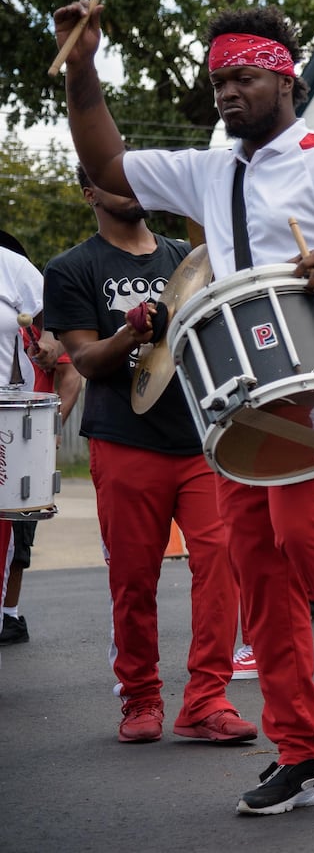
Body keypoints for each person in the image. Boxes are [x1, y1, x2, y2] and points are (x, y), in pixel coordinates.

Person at [55, 0, 314, 814]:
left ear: (284, 78)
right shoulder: (206, 168)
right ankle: (302, 754)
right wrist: (81, 66)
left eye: (244, 77)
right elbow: (109, 166)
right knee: (258, 568)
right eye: (219, 79)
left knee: (305, 529)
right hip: (237, 403)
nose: (227, 93)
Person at [43, 163, 256, 745]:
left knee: (222, 566)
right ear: (90, 192)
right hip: (124, 441)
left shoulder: (186, 257)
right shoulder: (71, 269)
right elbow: (84, 362)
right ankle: (140, 698)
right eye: (115, 181)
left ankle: (206, 699)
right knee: (133, 580)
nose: (132, 190)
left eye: (136, 179)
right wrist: (129, 335)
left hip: (200, 440)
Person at [0, 237, 81, 646]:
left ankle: (8, 613)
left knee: (11, 540)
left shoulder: (18, 283)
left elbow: (66, 368)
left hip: (13, 436)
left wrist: (46, 437)